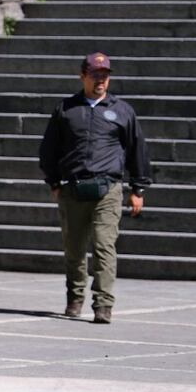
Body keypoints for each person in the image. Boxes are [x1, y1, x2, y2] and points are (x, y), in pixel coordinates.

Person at [38, 53, 151, 324]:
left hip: (108, 189)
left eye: (105, 75)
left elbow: (138, 149)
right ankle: (75, 298)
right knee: (74, 249)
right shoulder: (66, 109)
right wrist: (53, 182)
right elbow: (49, 149)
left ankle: (103, 304)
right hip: (73, 188)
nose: (101, 79)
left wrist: (138, 189)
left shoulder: (122, 110)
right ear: (83, 76)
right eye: (95, 74)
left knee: (104, 246)